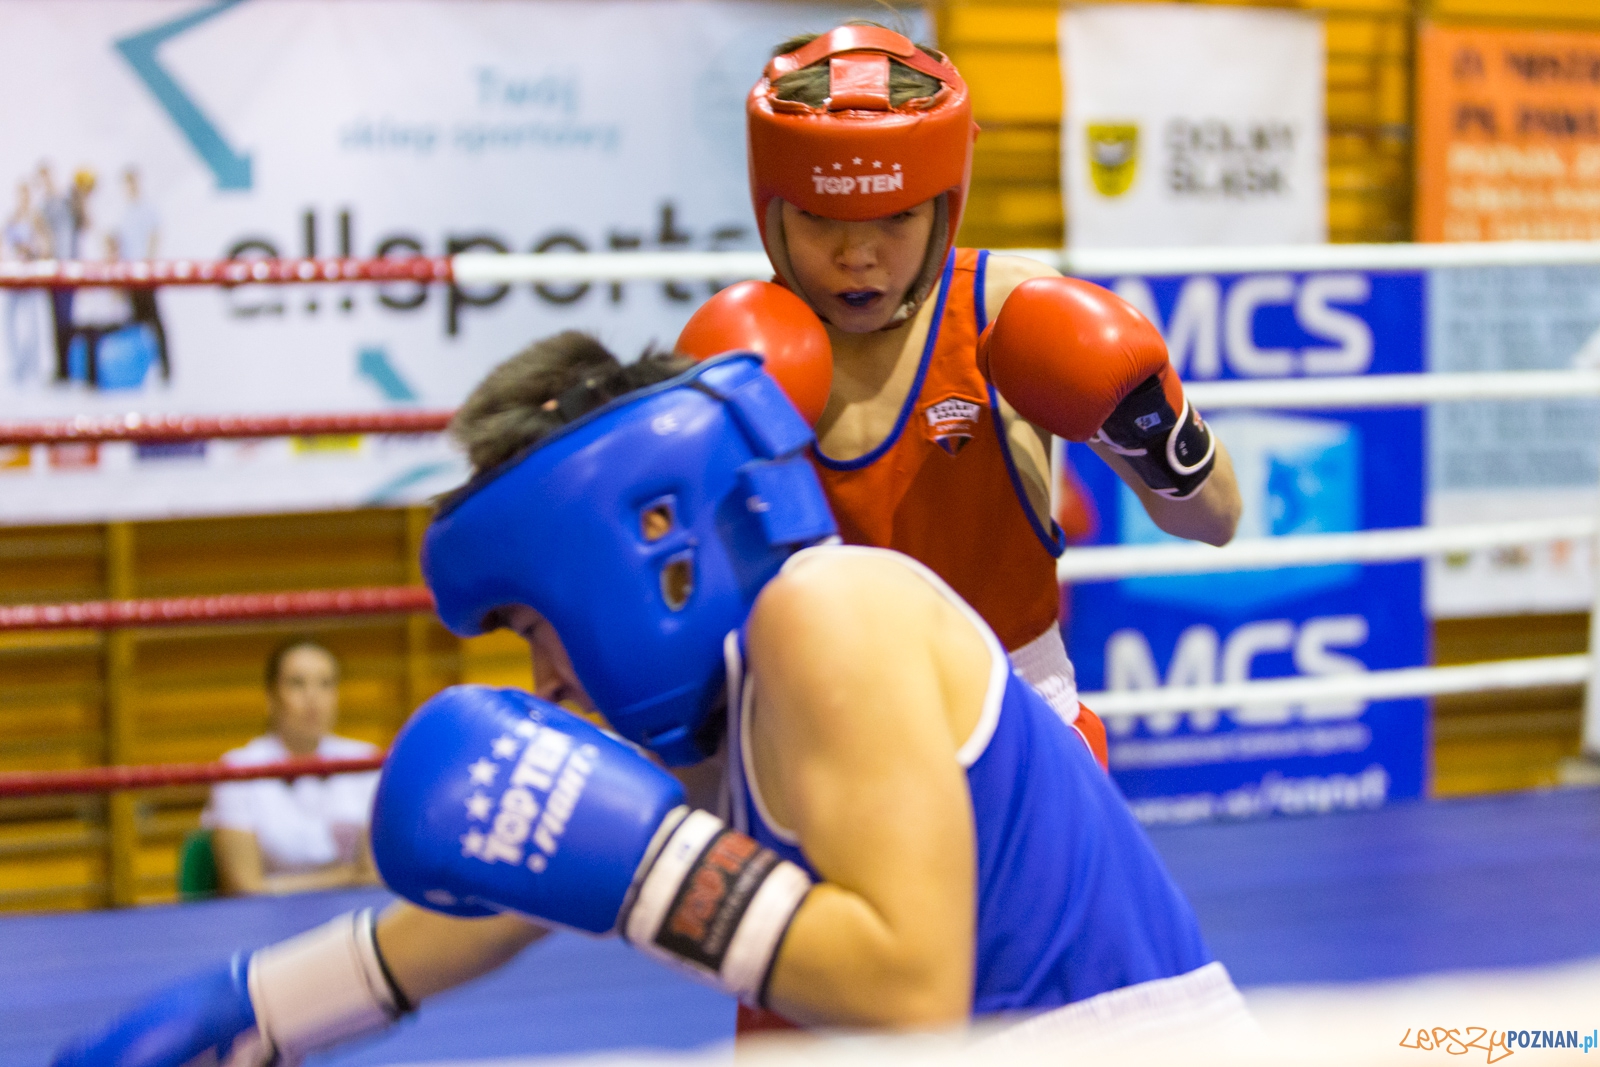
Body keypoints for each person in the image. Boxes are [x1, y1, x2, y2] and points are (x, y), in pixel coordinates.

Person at [54, 336, 1253, 1067]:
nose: (540, 676)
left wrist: (644, 869)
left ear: (629, 554)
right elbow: (515, 885)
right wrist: (256, 1008)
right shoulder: (712, 704)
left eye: (534, 623)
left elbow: (907, 983)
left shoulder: (829, 611)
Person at [676, 24, 1243, 763]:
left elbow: (1215, 518)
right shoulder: (740, 354)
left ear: (943, 204)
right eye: (820, 217)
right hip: (823, 740)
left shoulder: (1008, 314)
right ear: (772, 205)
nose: (857, 254)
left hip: (1021, 725)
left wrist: (1145, 415)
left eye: (896, 216)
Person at [201, 637, 381, 896]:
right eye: (297, 683)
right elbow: (245, 887)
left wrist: (275, 885)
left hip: (348, 918)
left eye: (325, 684)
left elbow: (372, 876)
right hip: (263, 924)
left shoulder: (365, 761)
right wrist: (345, 877)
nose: (313, 698)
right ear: (270, 697)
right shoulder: (237, 769)